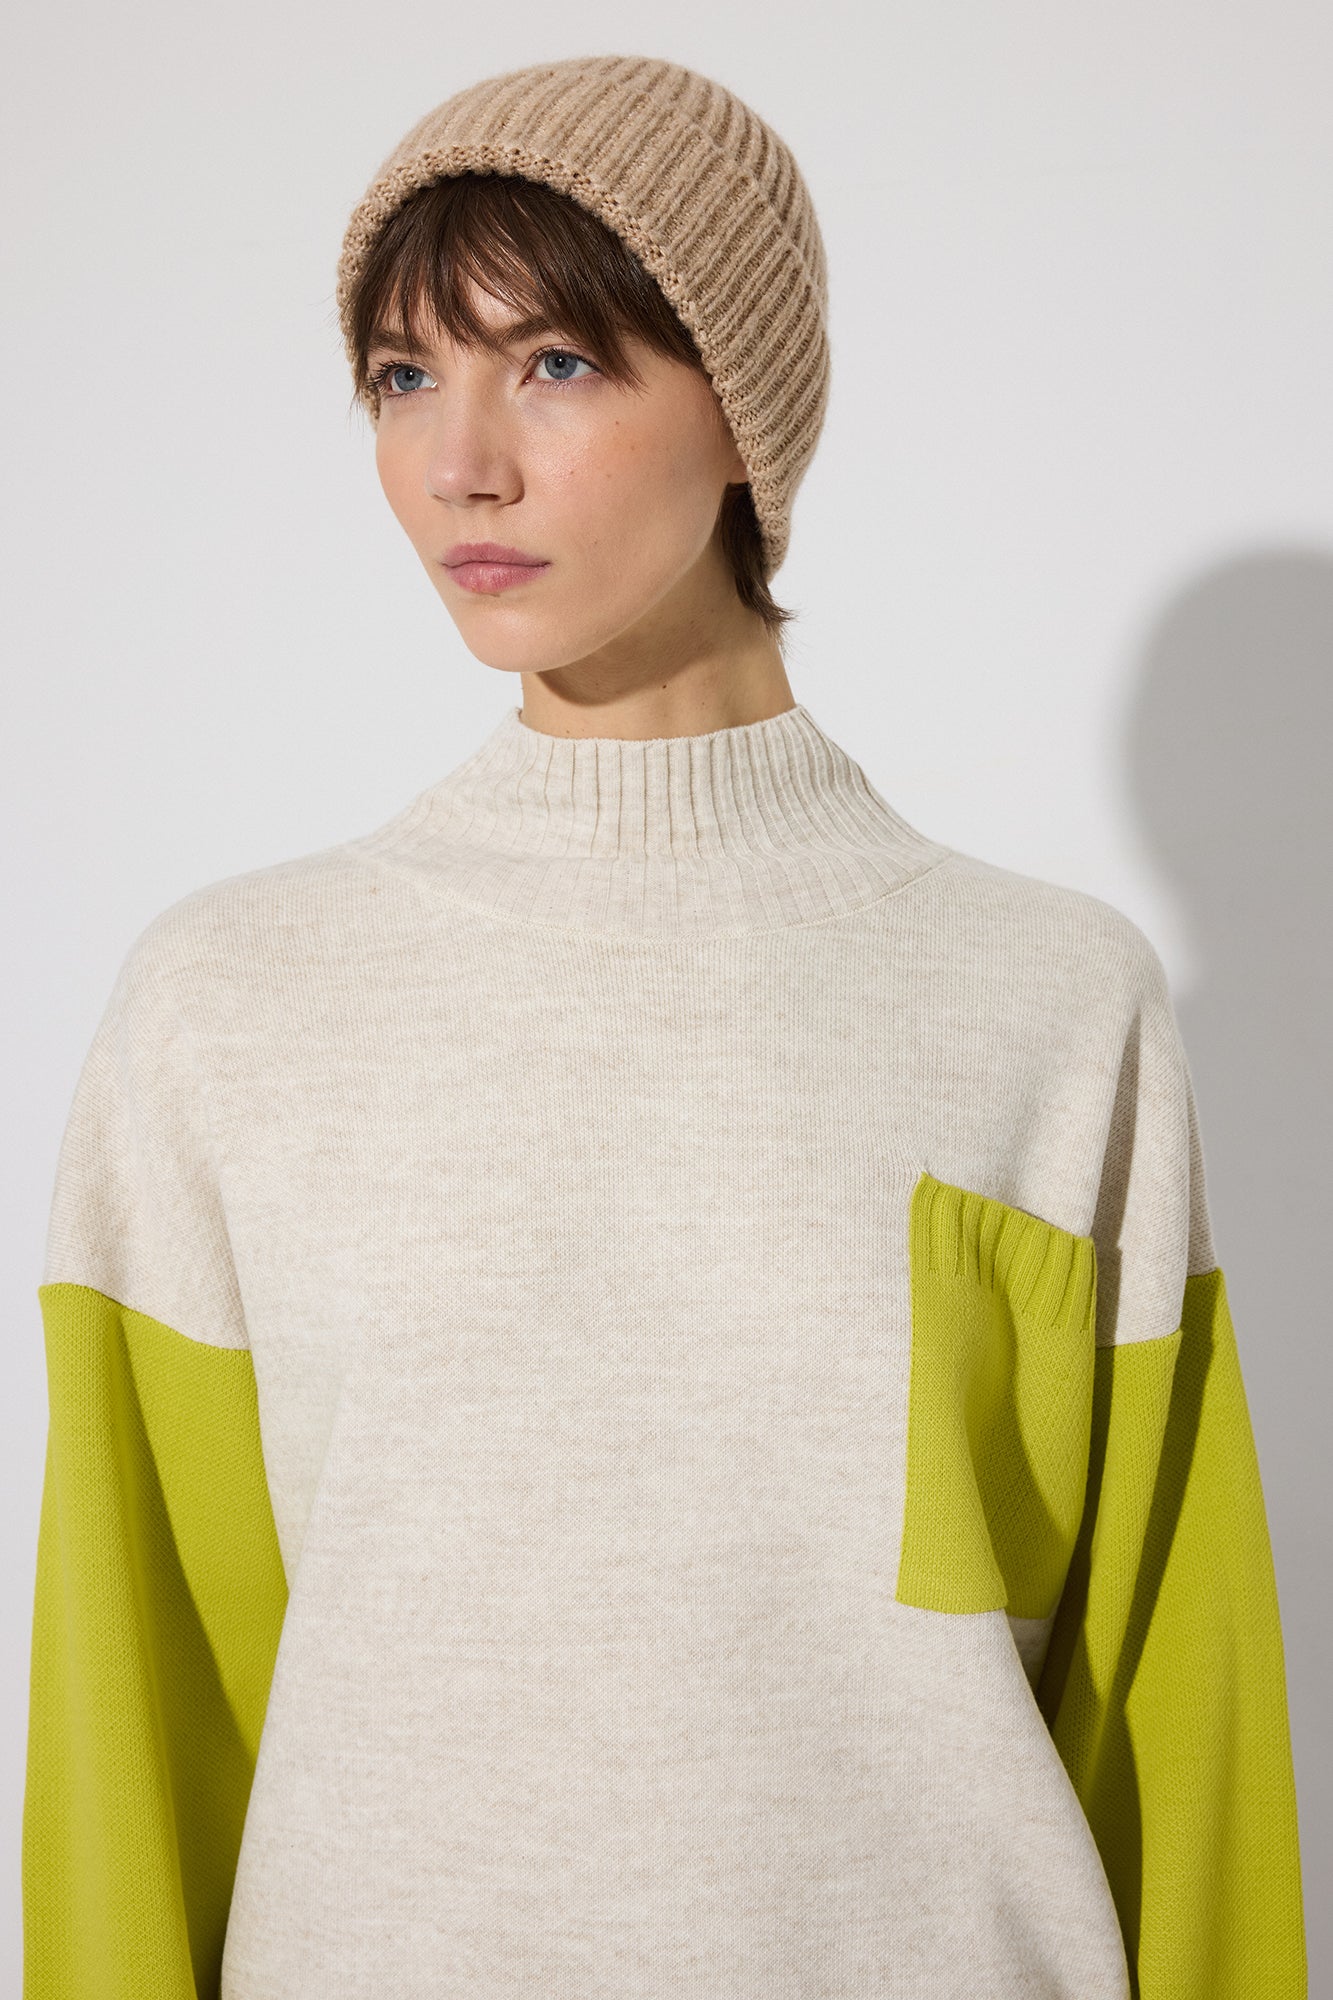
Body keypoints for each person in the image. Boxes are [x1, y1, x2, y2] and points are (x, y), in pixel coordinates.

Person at [22, 52, 1306, 2000]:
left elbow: (1173, 1725)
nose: (459, 461)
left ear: (741, 411)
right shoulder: (228, 1005)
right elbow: (140, 1710)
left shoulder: (1048, 1000)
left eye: (552, 363)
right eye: (402, 375)